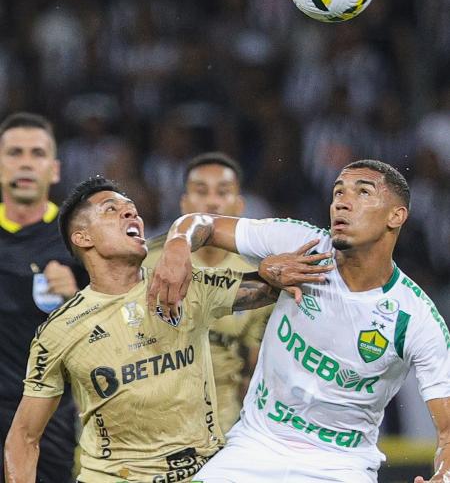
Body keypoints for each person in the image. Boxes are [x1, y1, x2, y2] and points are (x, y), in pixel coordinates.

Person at [5, 176, 332, 483]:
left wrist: (280, 270)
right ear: (83, 237)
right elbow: (23, 436)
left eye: (131, 208)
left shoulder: (190, 287)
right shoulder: (59, 330)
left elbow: (270, 284)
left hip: (200, 474)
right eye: (112, 210)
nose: (130, 212)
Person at [150, 159, 450, 483]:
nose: (342, 203)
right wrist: (177, 246)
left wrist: (444, 475)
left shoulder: (415, 318)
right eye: (338, 193)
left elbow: (447, 431)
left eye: (362, 192)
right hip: (256, 446)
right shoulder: (300, 244)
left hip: (340, 466)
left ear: (396, 215)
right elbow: (202, 222)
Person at [145, 152, 273, 432]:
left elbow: (254, 368)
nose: (213, 201)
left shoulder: (258, 276)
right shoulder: (149, 262)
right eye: (201, 191)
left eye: (223, 192)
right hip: (153, 414)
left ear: (239, 204)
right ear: (184, 203)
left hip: (223, 420)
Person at [0, 112, 88, 483]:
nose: (24, 162)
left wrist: (79, 299)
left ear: (53, 170)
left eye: (36, 153)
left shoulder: (80, 238)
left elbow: (121, 323)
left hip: (51, 413)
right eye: (14, 152)